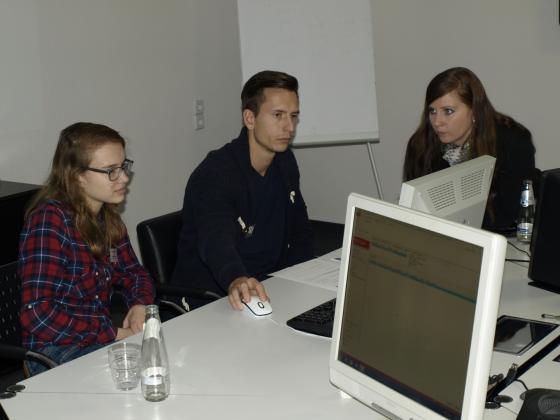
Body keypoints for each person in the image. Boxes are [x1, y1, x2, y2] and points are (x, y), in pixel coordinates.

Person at [19, 122, 155, 375]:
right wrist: (113, 333)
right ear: (77, 175)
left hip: (96, 339)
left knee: (162, 361)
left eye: (124, 166)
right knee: (145, 372)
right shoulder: (49, 222)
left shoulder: (107, 218)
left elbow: (135, 273)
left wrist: (140, 305)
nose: (124, 178)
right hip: (54, 351)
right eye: (110, 171)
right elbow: (37, 314)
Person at [171, 70, 314, 311]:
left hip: (271, 289)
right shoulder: (215, 174)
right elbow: (216, 241)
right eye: (278, 115)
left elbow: (300, 231)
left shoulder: (285, 162)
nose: (289, 127)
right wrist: (235, 278)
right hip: (216, 297)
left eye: (294, 116)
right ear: (250, 119)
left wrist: (309, 280)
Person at [403, 67, 536, 231]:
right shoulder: (420, 145)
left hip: (497, 239)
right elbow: (416, 211)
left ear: (474, 110)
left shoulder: (513, 143)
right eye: (432, 111)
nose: (437, 122)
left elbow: (510, 214)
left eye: (448, 111)